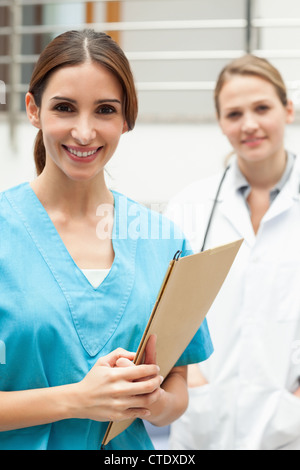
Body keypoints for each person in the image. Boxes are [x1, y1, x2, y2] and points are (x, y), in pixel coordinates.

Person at [0, 29, 213, 450]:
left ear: (126, 119)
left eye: (104, 110)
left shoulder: (163, 239)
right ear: (34, 109)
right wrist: (78, 400)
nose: (84, 132)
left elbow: (178, 392)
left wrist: (153, 400)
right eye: (64, 108)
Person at [166, 54, 300, 450]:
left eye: (262, 108)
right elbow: (162, 312)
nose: (250, 124)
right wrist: (191, 379)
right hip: (203, 424)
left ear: (288, 109)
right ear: (221, 123)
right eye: (234, 113)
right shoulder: (189, 206)